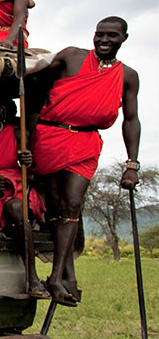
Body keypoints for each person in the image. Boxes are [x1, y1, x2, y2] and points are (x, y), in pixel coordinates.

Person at [30, 17, 140, 306]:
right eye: (100, 34)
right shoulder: (70, 57)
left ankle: (55, 277)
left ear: (124, 38)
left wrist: (132, 164)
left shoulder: (127, 76)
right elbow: (35, 80)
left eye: (112, 36)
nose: (104, 40)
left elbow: (130, 119)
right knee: (55, 207)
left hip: (87, 142)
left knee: (72, 204)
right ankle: (69, 277)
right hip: (51, 136)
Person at [0, 99, 46, 297]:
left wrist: (28, 160)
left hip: (13, 187)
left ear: (3, 111)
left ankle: (32, 277)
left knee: (16, 208)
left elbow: (33, 169)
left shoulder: (17, 134)